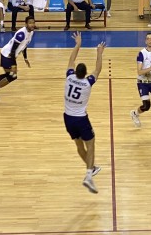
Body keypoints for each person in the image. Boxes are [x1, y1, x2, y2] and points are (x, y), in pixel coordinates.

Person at [63, 32, 106, 194]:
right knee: (91, 143)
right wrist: (99, 53)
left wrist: (78, 44)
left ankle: (92, 168)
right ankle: (88, 176)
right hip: (81, 118)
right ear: (85, 73)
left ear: (75, 72)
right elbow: (98, 69)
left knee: (79, 145)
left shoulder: (69, 78)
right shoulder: (88, 83)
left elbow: (71, 60)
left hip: (67, 118)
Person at [0, 16, 36, 101]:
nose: (32, 24)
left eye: (33, 22)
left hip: (10, 55)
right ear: (26, 24)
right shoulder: (21, 34)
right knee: (12, 76)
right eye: (30, 23)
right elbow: (13, 50)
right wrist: (13, 64)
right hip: (7, 55)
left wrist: (25, 58)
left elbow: (24, 45)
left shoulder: (31, 32)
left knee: (8, 75)